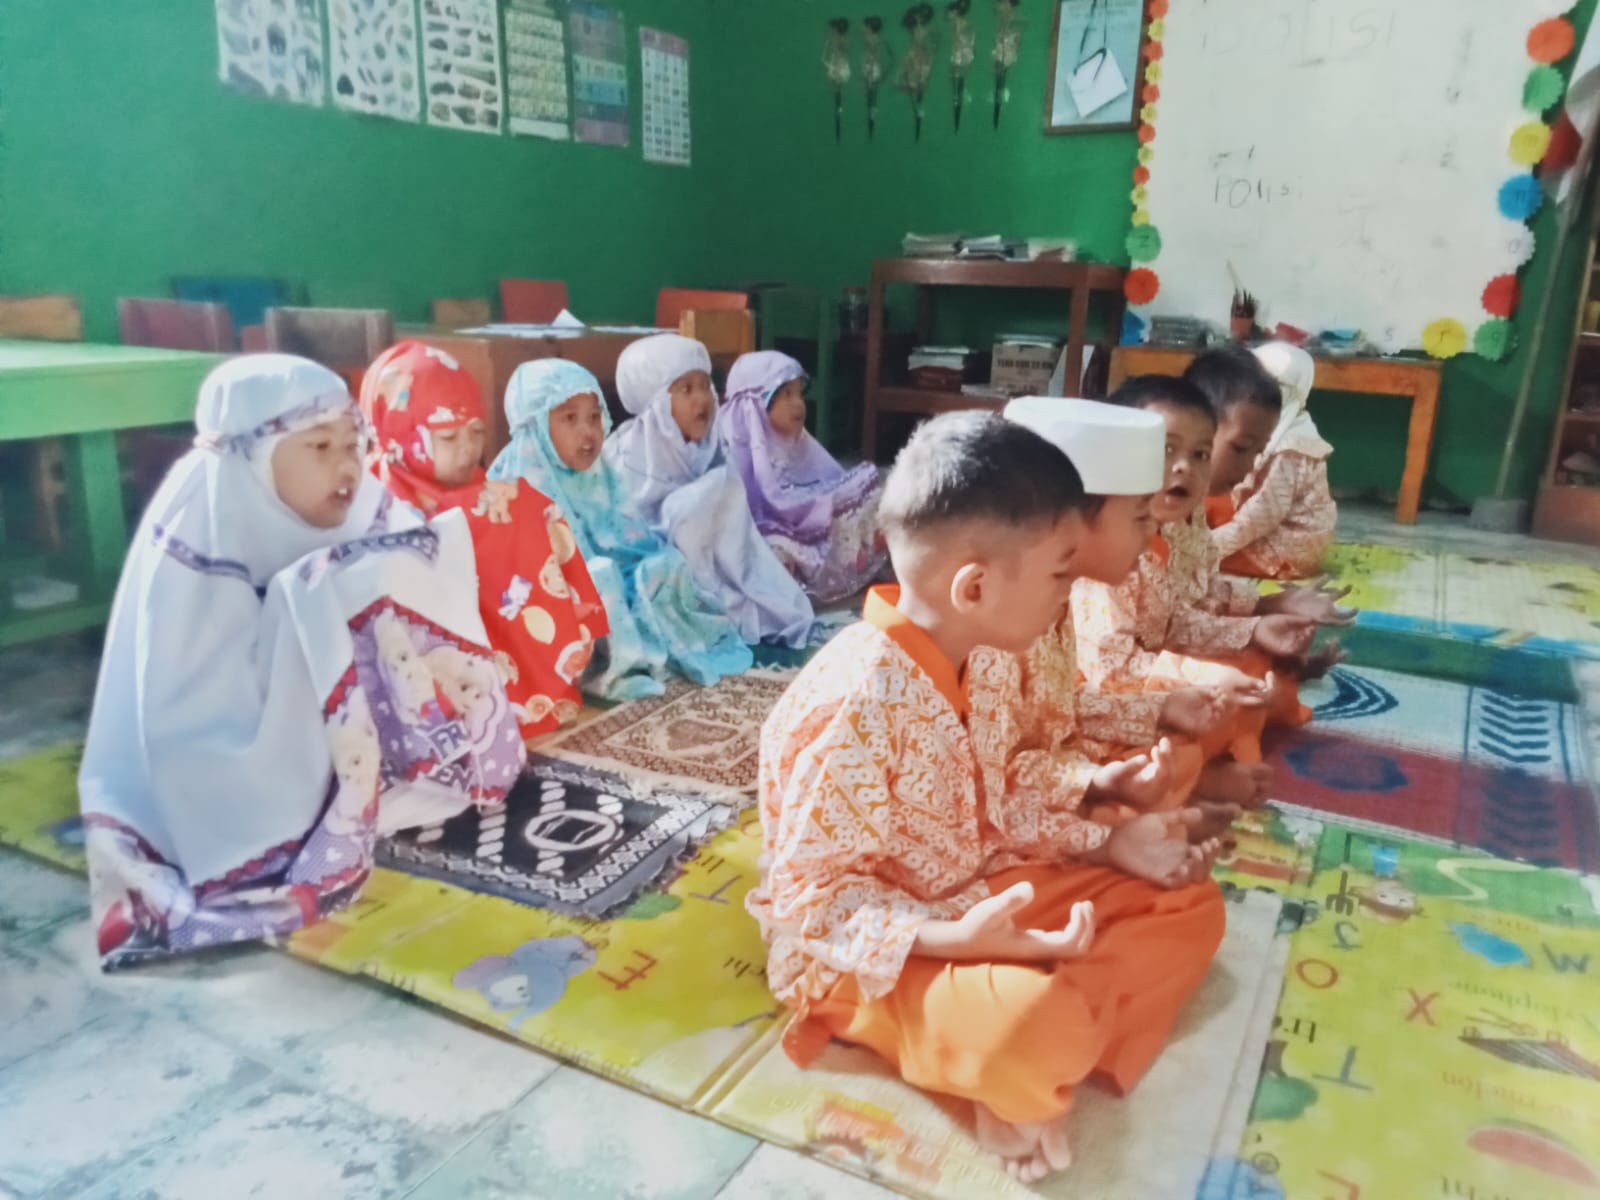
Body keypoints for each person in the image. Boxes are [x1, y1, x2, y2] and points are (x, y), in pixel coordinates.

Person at [748, 410, 1226, 1184]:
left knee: (1190, 905)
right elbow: (812, 904)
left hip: (981, 889)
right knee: (1029, 1026)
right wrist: (953, 941)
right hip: (875, 955)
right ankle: (1011, 1039)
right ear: (974, 586)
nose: (1066, 596)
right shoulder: (853, 704)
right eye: (1059, 576)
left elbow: (1001, 797)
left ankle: (1028, 1034)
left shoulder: (983, 653)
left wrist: (1108, 843)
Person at [80, 355, 522, 969]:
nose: (347, 467)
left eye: (353, 444)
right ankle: (308, 813)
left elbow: (422, 574)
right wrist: (311, 607)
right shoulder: (204, 521)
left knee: (377, 579)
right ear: (255, 453)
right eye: (319, 447)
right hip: (231, 750)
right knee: (331, 592)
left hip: (328, 733)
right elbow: (190, 718)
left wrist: (366, 585)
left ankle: (347, 791)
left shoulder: (361, 501)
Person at [361, 340, 606, 737]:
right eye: (448, 437)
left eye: (475, 432)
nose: (467, 450)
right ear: (399, 435)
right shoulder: (374, 502)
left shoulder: (488, 490)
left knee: (531, 512)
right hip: (423, 668)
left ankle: (535, 681)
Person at [488, 358, 753, 699]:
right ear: (536, 425)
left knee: (666, 564)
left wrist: (648, 564)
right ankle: (612, 668)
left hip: (595, 571)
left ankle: (652, 649)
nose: (588, 431)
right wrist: (587, 571)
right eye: (570, 419)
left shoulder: (599, 474)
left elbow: (627, 537)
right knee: (602, 576)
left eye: (594, 417)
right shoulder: (519, 479)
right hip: (538, 591)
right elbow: (524, 564)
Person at [604, 334, 814, 646]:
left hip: (705, 574)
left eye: (705, 386)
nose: (701, 399)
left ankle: (714, 602)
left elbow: (736, 534)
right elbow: (619, 537)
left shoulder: (712, 448)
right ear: (657, 402)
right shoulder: (627, 457)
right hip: (651, 574)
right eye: (686, 389)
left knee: (720, 484)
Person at [720, 349, 886, 601]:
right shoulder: (732, 454)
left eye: (799, 394)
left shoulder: (798, 441)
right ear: (755, 405)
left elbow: (827, 481)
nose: (798, 403)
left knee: (870, 498)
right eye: (786, 394)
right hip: (764, 532)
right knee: (770, 553)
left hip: (807, 521)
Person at [1201, 342, 1338, 579]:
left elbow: (1258, 519)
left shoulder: (1290, 447)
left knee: (1211, 505)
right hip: (1267, 529)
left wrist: (1202, 551)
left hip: (1288, 552)